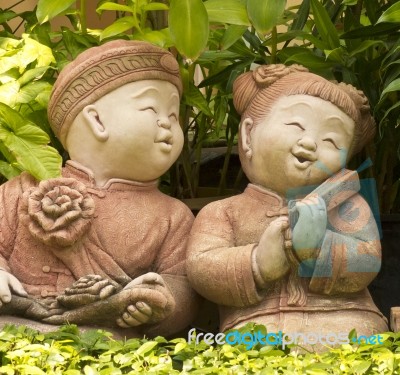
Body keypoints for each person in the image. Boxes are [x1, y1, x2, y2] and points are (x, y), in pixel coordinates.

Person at [0, 40, 198, 338]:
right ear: (96, 120)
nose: (167, 123)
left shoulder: (173, 216)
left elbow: (182, 281)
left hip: (103, 338)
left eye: (173, 115)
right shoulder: (20, 191)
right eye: (150, 108)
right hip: (12, 327)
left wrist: (159, 301)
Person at [187, 64, 388, 345]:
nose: (309, 143)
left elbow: (368, 260)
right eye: (295, 125)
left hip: (348, 322)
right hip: (258, 327)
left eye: (330, 140)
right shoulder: (223, 212)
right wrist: (258, 263)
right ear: (247, 136)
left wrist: (317, 250)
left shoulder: (348, 207)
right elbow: (200, 267)